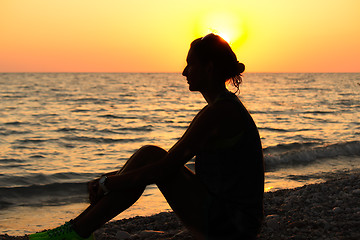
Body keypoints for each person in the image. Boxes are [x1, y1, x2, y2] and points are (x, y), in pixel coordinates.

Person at [29, 33, 264, 240]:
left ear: (209, 68)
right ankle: (78, 230)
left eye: (190, 64)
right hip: (232, 221)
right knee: (149, 155)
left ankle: (77, 231)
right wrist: (109, 179)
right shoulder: (221, 108)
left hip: (233, 228)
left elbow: (165, 167)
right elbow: (167, 163)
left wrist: (108, 183)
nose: (184, 72)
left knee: (150, 155)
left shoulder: (220, 112)